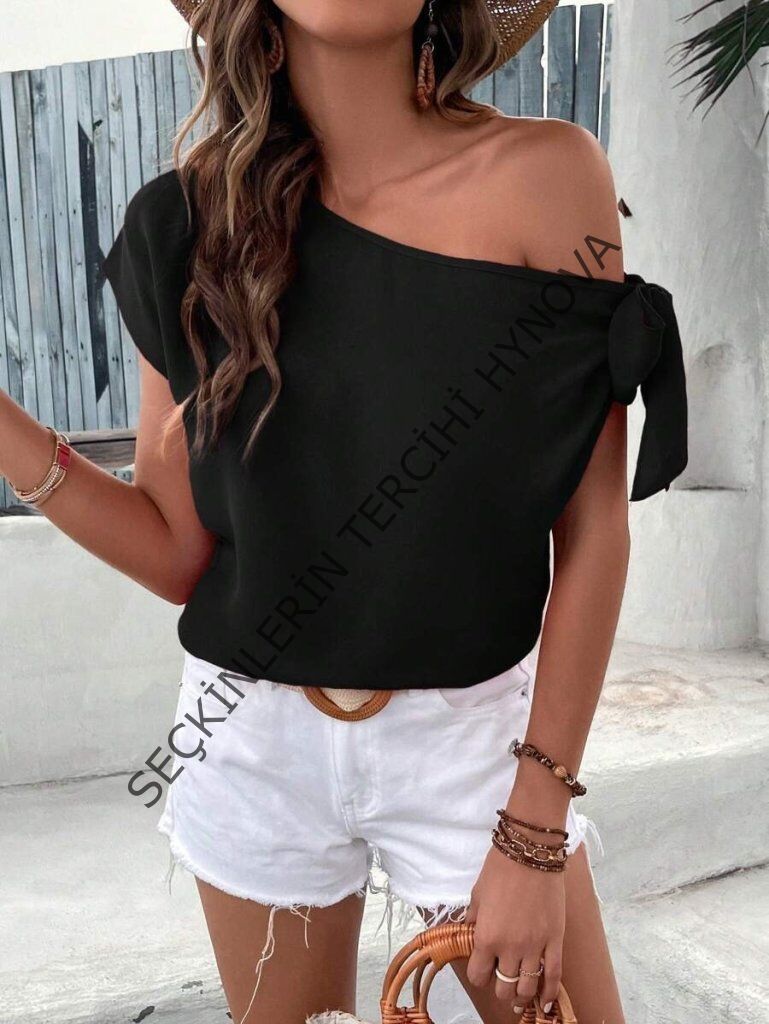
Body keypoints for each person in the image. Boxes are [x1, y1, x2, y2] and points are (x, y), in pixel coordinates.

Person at [0, 2, 688, 1022]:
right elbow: (179, 551)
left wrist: (535, 830)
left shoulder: (548, 176)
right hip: (249, 741)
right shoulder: (182, 224)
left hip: (473, 747)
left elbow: (592, 531)